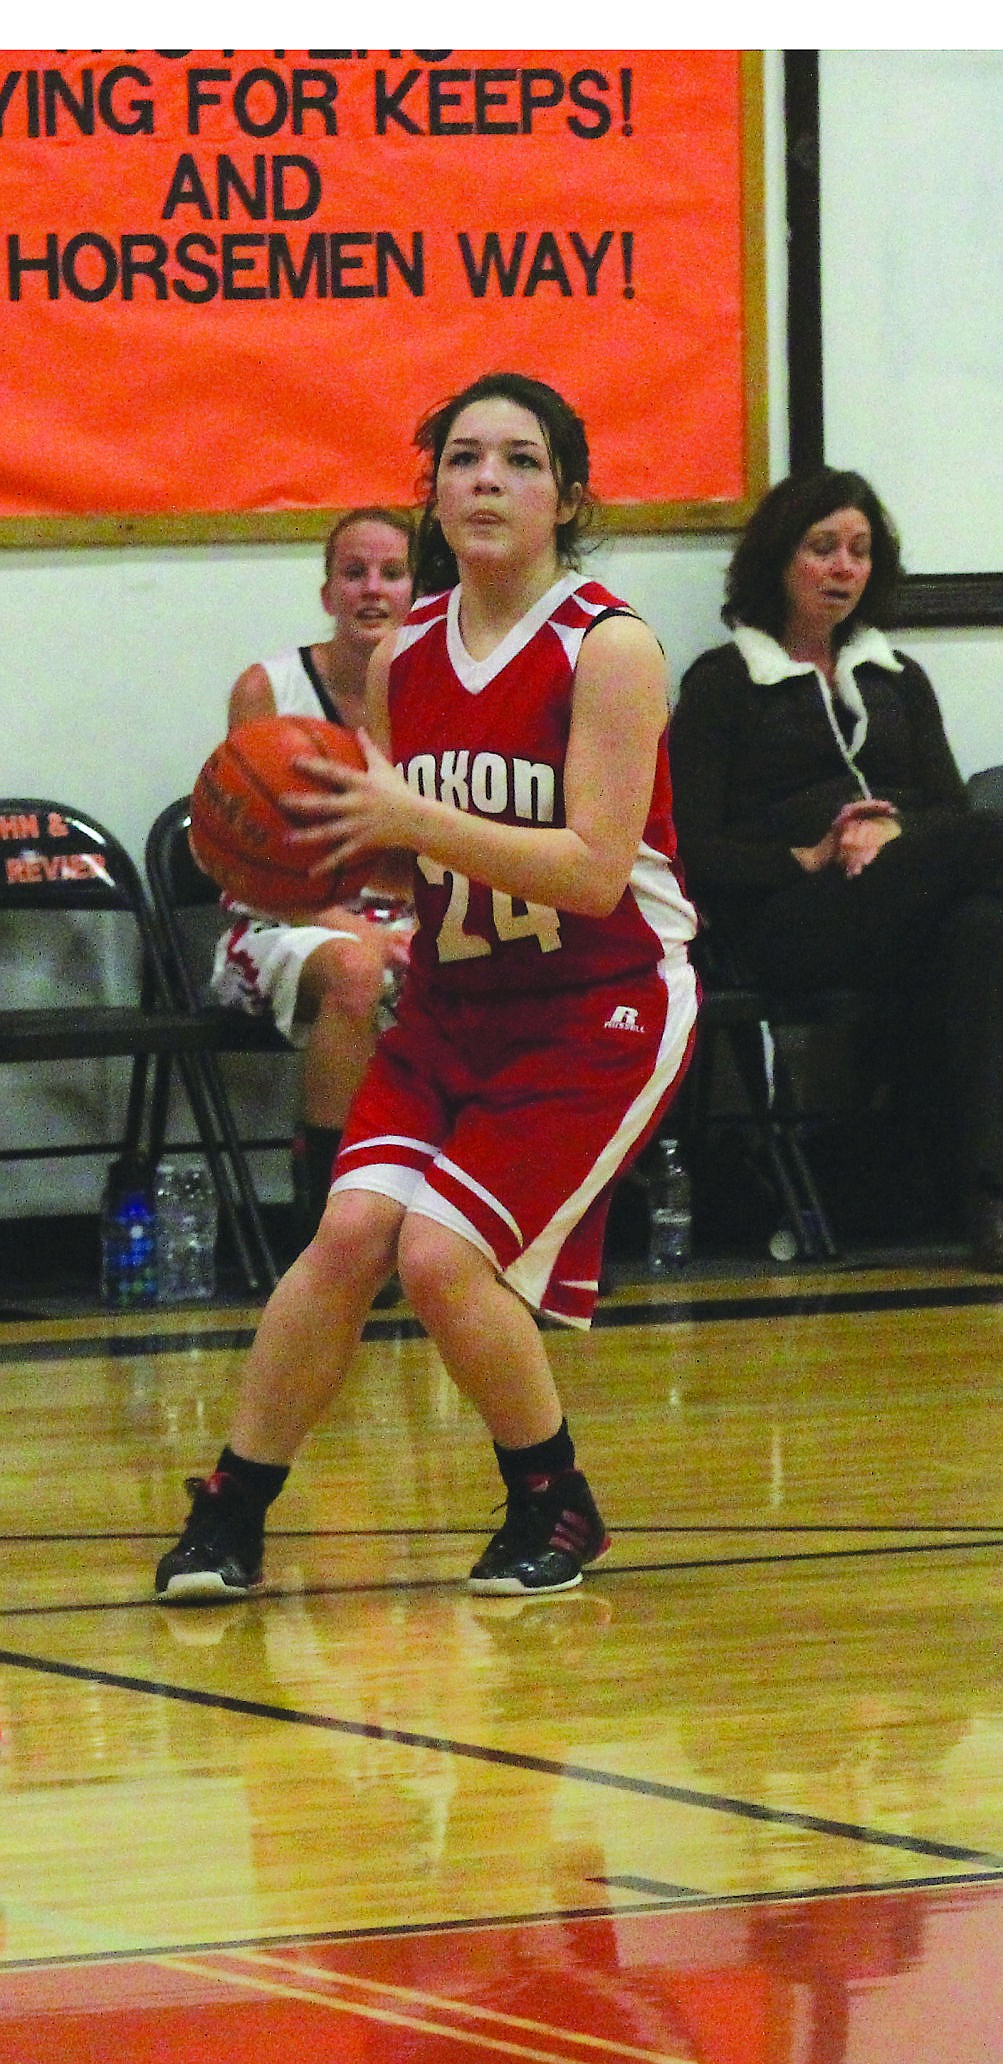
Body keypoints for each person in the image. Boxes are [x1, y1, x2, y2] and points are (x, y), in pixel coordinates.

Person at [155, 369, 698, 1604]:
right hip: (455, 1003)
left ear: (565, 493)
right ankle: (232, 1512)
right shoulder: (406, 651)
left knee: (445, 1261)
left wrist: (407, 810)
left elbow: (595, 871)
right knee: (347, 1234)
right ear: (433, 495)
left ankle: (555, 1505)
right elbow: (414, 850)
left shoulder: (610, 646)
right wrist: (292, 843)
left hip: (600, 1007)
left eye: (517, 460)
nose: (487, 481)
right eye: (462, 460)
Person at [668, 465, 1003, 1266]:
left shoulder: (896, 679)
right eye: (823, 548)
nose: (843, 567)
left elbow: (946, 813)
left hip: (908, 908)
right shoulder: (721, 685)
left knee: (984, 928)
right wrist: (811, 851)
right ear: (779, 559)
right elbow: (689, 846)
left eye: (858, 551)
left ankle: (986, 1205)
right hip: (791, 919)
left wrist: (892, 833)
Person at [209, 508, 416, 1240]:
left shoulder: (439, 687)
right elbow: (236, 853)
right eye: (353, 572)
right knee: (359, 970)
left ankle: (504, 1216)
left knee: (510, 967)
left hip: (402, 913)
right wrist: (346, 923)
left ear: (418, 591)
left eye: (392, 573)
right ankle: (331, 1218)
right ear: (327, 593)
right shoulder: (269, 688)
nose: (372, 589)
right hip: (277, 917)